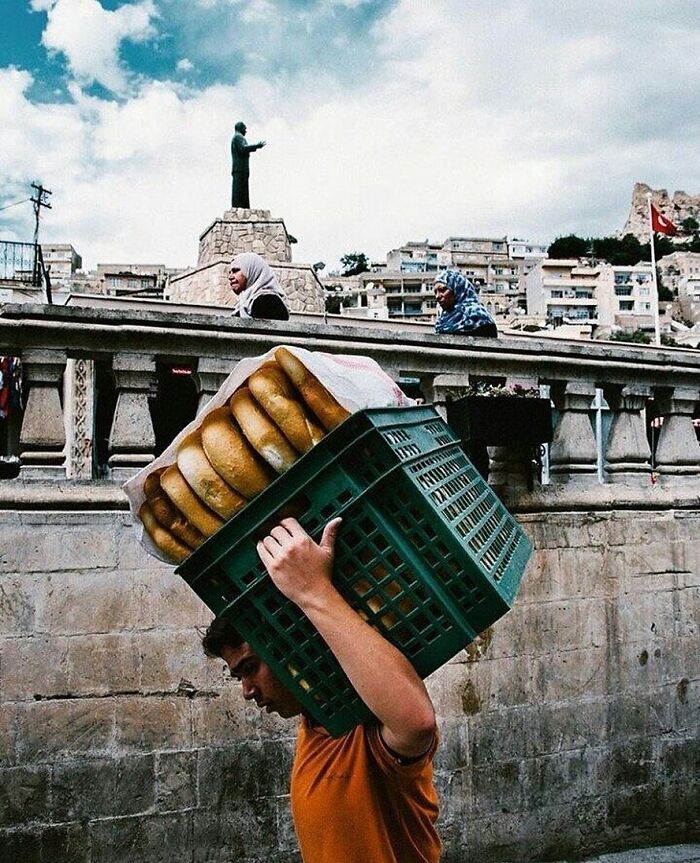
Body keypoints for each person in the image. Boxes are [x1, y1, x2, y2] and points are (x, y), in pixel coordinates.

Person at [202, 516, 441, 863]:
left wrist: (314, 592)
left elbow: (417, 722)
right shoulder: (314, 727)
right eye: (239, 676)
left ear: (287, 650)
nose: (247, 691)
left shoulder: (363, 734)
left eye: (250, 668)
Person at [434, 268, 498, 337]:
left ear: (457, 289)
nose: (437, 296)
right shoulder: (442, 321)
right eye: (435, 292)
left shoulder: (477, 315)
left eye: (443, 290)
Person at [228, 252, 290, 321]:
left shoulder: (268, 302)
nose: (230, 277)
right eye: (230, 272)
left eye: (235, 271)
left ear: (252, 270)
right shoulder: (245, 304)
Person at [231, 121, 265, 208]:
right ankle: (240, 208)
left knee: (240, 189)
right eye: (245, 128)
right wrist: (256, 146)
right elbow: (243, 148)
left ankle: (240, 207)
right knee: (240, 189)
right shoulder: (238, 137)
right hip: (240, 168)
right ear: (241, 128)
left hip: (239, 168)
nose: (246, 131)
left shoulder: (236, 137)